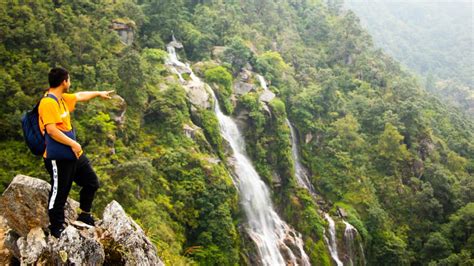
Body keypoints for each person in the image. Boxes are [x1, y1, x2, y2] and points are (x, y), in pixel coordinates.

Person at [38, 67, 114, 238]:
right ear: (64, 82)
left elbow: (80, 96)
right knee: (60, 192)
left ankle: (85, 215)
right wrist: (74, 143)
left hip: (73, 154)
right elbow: (51, 130)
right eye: (69, 80)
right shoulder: (48, 102)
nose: (70, 83)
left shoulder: (62, 98)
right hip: (58, 157)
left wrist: (98, 93)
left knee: (91, 182)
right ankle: (56, 227)